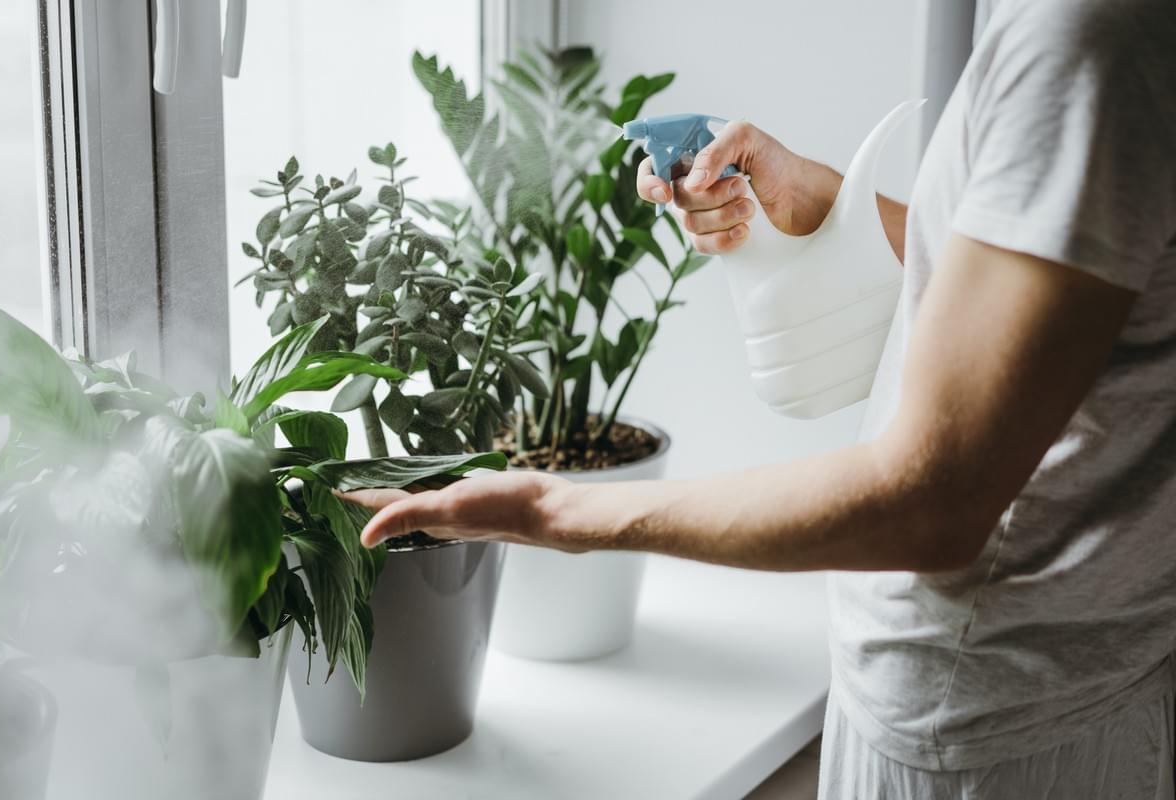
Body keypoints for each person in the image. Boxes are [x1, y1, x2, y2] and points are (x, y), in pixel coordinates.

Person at [343, 0, 1176, 795]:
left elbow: (936, 500)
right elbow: (1062, 283)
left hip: (997, 721)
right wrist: (828, 209)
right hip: (1011, 688)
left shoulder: (1090, 32)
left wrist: (557, 513)